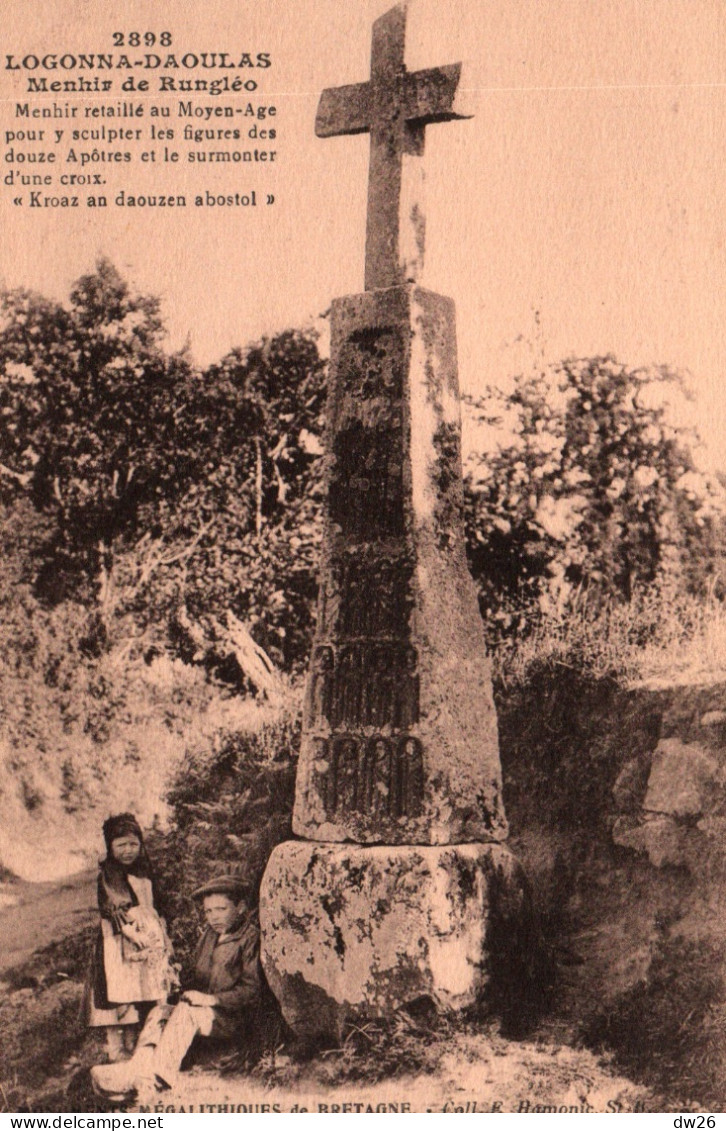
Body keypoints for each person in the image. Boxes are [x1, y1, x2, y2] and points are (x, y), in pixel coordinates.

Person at [90, 866, 261, 1102]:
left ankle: (156, 1079)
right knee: (161, 1011)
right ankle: (137, 1069)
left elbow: (252, 991)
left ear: (240, 907)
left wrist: (211, 1000)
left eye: (221, 909)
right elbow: (196, 975)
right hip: (203, 1012)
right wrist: (174, 976)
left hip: (233, 1019)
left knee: (187, 1013)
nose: (214, 917)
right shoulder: (209, 936)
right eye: (208, 911)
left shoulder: (249, 938)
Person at [86, 813, 177, 1062]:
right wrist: (135, 936)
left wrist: (163, 936)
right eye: (121, 845)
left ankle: (145, 1046)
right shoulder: (110, 874)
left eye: (133, 844)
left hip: (149, 939)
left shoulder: (145, 870)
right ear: (110, 846)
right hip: (120, 939)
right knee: (119, 991)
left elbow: (158, 906)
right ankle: (118, 1051)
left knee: (147, 989)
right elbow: (115, 909)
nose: (128, 850)